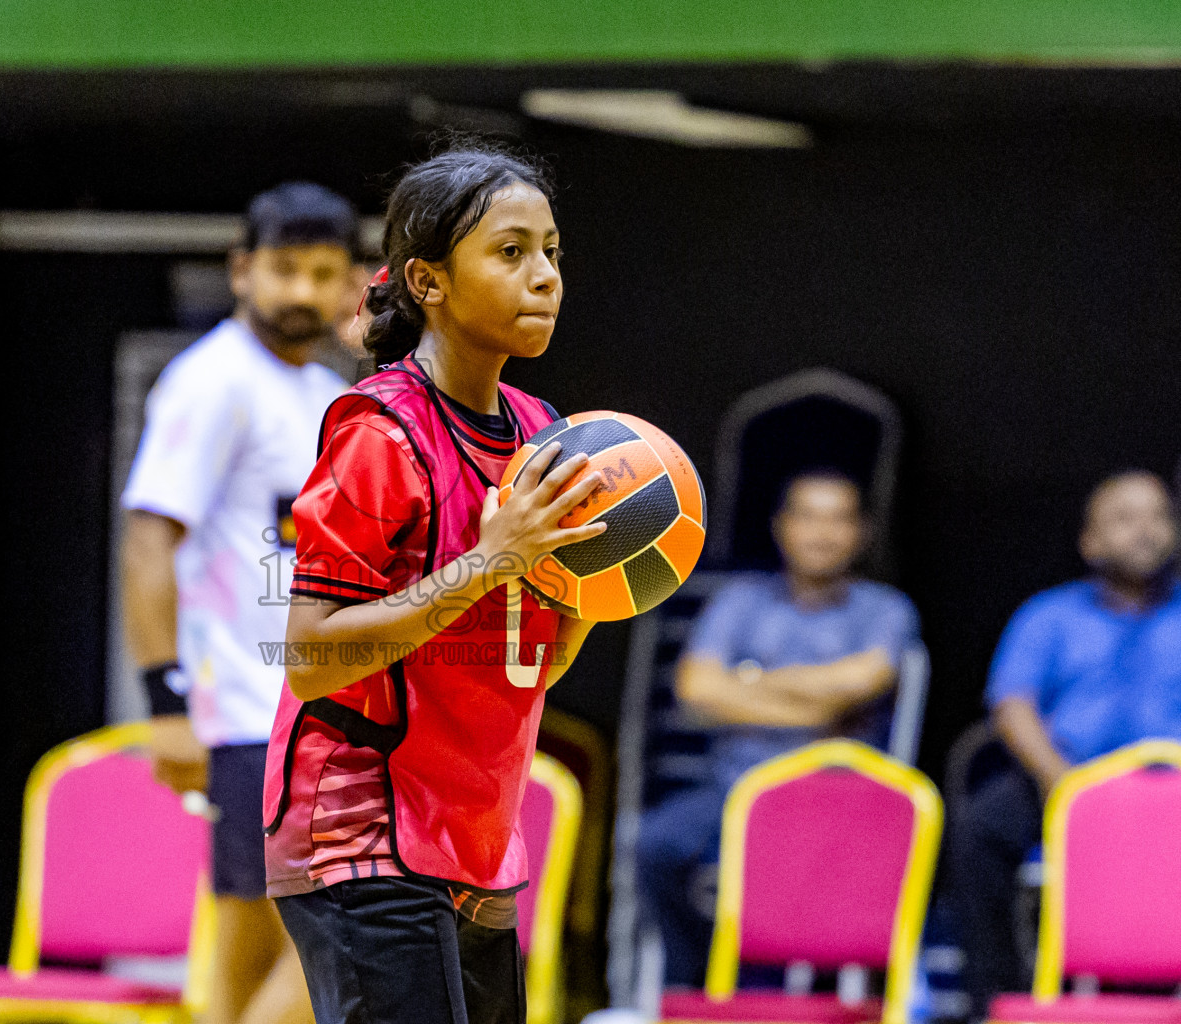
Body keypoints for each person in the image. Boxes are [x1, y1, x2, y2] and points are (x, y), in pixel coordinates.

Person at [262, 145, 603, 1024]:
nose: (545, 278)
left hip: (476, 828)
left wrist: (594, 593)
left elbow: (522, 671)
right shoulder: (379, 433)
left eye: (553, 253)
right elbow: (310, 661)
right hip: (358, 826)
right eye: (512, 251)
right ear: (429, 280)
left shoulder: (542, 435)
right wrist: (491, 562)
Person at [120, 181, 360, 1024]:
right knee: (334, 938)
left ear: (350, 283)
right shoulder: (212, 381)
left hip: (318, 715)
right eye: (284, 269)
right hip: (253, 722)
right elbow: (150, 541)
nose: (301, 291)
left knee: (264, 955)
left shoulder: (326, 397)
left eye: (322, 272)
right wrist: (165, 703)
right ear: (241, 270)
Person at [637, 470, 920, 988]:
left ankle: (781, 999)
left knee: (776, 868)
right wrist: (813, 706)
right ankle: (689, 990)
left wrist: (745, 683)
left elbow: (864, 678)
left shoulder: (885, 608)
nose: (822, 533)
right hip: (733, 787)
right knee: (655, 844)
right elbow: (698, 688)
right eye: (808, 516)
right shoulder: (739, 601)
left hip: (835, 794)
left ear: (861, 534)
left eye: (839, 519)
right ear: (782, 527)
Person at [949, 470, 1180, 1016]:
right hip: (1067, 778)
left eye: (1158, 516)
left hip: (1174, 790)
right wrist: (1062, 780)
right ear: (1090, 542)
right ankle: (997, 1001)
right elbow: (1013, 707)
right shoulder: (1048, 614)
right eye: (1125, 519)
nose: (1145, 530)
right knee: (981, 826)